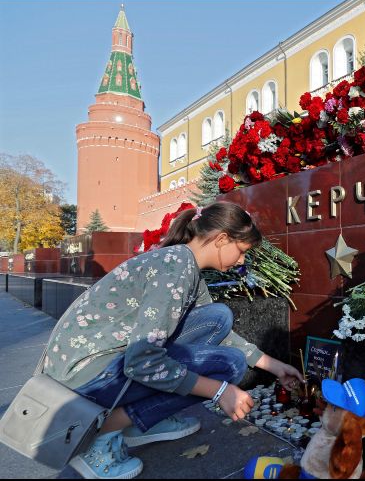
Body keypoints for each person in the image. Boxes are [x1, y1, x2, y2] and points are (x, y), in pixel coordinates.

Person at [42, 202, 304, 479]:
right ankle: (100, 435)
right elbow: (142, 361)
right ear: (222, 239)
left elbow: (219, 332)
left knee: (217, 317)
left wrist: (273, 365)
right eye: (241, 252)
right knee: (230, 367)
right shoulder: (176, 268)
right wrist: (219, 390)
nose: (241, 262)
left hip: (96, 362)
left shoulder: (180, 262)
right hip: (84, 378)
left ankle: (144, 422)